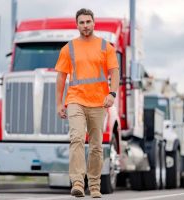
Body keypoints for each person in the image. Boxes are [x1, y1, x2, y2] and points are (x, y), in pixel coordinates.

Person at [55, 8, 120, 198]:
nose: (85, 26)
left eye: (88, 22)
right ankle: (76, 182)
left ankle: (94, 186)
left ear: (94, 23)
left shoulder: (105, 47)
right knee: (76, 138)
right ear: (77, 25)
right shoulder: (69, 48)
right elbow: (61, 77)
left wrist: (112, 94)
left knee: (96, 146)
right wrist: (59, 104)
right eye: (81, 22)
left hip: (99, 103)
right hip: (75, 100)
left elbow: (114, 71)